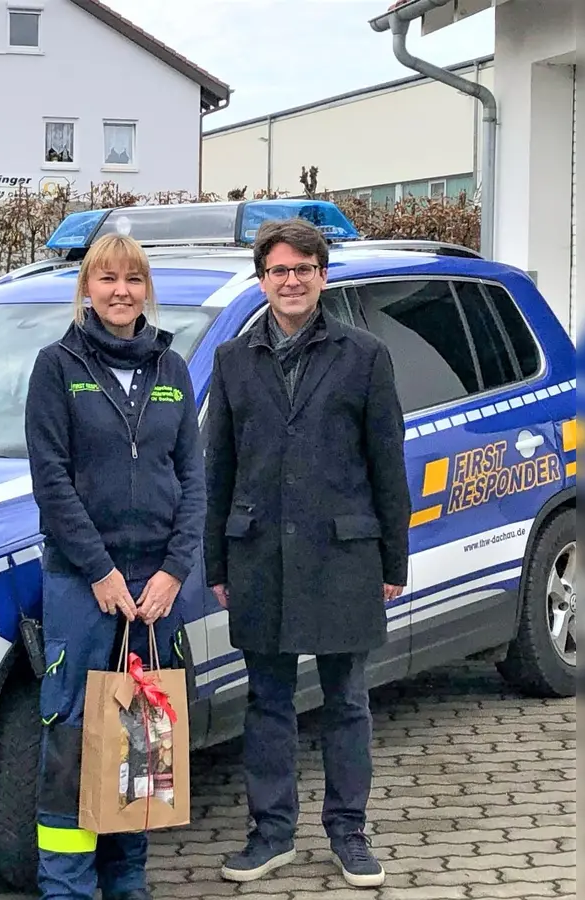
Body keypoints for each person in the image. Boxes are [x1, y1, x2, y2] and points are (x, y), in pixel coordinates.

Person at [203, 218, 410, 889]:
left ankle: (348, 831)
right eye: (278, 271)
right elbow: (219, 469)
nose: (291, 282)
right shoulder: (234, 361)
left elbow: (388, 468)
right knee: (268, 701)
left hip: (344, 557)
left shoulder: (364, 356)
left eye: (303, 269)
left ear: (323, 275)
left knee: (347, 699)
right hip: (259, 557)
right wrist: (217, 563)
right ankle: (272, 834)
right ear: (260, 280)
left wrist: (393, 563)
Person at [24, 232, 205, 900]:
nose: (121, 291)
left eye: (133, 279)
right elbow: (52, 482)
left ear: (146, 289)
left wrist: (172, 573)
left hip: (156, 592)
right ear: (87, 289)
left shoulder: (172, 369)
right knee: (71, 743)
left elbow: (193, 480)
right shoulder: (56, 366)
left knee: (141, 744)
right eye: (107, 279)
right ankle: (67, 889)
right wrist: (100, 571)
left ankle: (128, 885)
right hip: (83, 587)